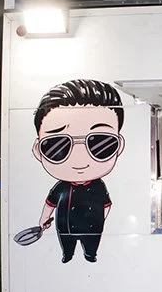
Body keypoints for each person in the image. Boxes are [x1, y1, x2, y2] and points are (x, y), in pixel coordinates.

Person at [31, 79, 125, 264]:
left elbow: (106, 205)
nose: (80, 159)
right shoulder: (61, 187)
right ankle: (68, 255)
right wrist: (43, 220)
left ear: (119, 145)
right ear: (38, 151)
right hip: (66, 227)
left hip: (93, 228)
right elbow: (50, 203)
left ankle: (90, 255)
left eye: (99, 143)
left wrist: (100, 221)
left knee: (91, 246)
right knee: (67, 246)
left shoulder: (98, 186)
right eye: (58, 145)